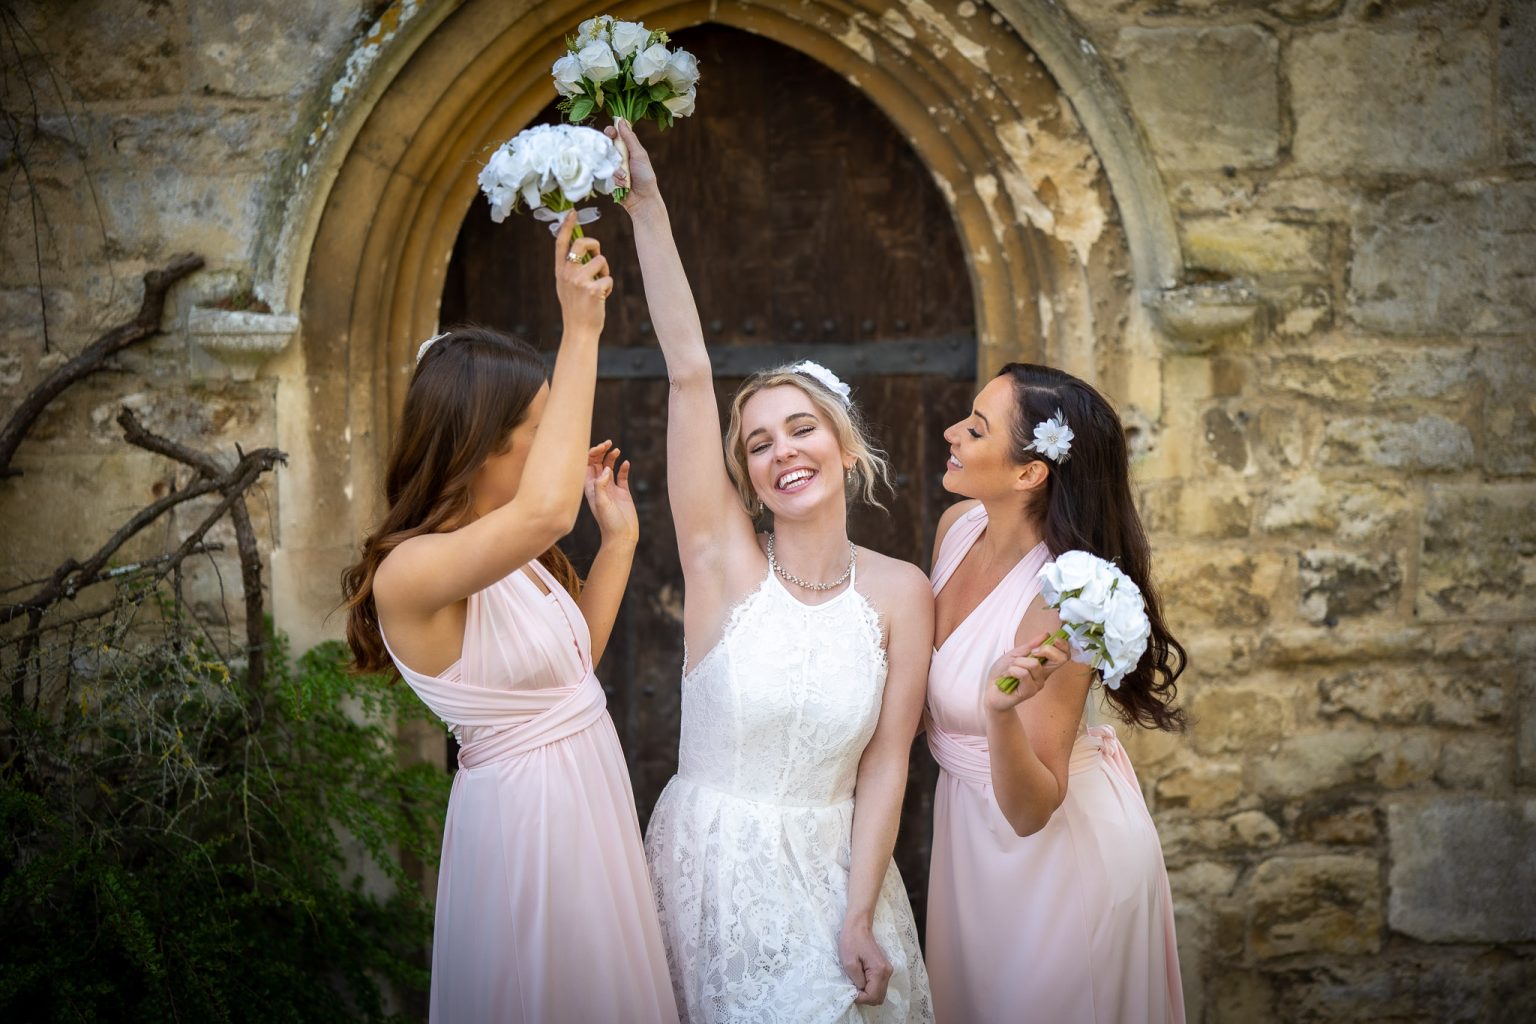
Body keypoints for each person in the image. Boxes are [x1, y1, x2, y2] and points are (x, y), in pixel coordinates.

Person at [610, 118, 934, 1023]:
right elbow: (688, 373)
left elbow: (887, 764)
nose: (782, 451)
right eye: (758, 443)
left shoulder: (903, 593)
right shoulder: (722, 567)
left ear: (844, 446)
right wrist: (646, 204)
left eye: (800, 429)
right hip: (711, 872)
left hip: (840, 879)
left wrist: (860, 912)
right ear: (746, 473)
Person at [339, 217, 676, 1023]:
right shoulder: (412, 571)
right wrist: (582, 328)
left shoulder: (506, 552)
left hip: (586, 796)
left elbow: (569, 674)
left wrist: (620, 543)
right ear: (480, 445)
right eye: (540, 430)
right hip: (530, 825)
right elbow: (550, 511)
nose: (558, 446)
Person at [922, 362, 1187, 1023]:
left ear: (1029, 473)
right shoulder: (957, 528)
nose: (952, 432)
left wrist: (998, 712)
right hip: (970, 840)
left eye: (976, 429)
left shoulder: (1066, 599)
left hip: (1054, 858)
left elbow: (1034, 807)